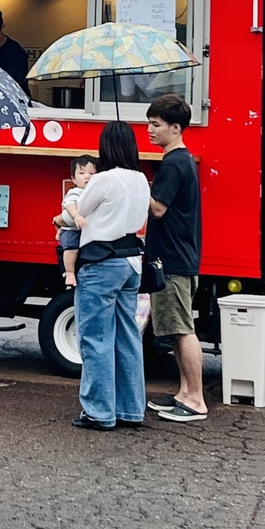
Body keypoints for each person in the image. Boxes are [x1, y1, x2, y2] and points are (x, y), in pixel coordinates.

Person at [71, 121, 150, 431]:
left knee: (95, 338)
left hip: (101, 262)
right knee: (128, 336)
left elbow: (78, 212)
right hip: (132, 262)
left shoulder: (103, 179)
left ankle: (99, 412)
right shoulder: (142, 179)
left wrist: (61, 215)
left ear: (106, 148)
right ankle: (131, 409)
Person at [144, 94, 207, 423]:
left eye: (155, 125)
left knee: (183, 330)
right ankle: (184, 393)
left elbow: (157, 208)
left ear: (175, 127)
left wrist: (136, 184)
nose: (149, 130)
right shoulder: (182, 161)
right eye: (149, 124)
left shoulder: (173, 164)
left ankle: (195, 399)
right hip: (179, 257)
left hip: (172, 261)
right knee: (178, 328)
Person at [52, 155, 97, 288]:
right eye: (82, 173)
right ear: (73, 178)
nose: (87, 176)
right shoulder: (75, 192)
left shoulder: (95, 192)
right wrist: (76, 215)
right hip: (72, 230)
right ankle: (70, 273)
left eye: (92, 173)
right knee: (71, 248)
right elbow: (70, 205)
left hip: (81, 230)